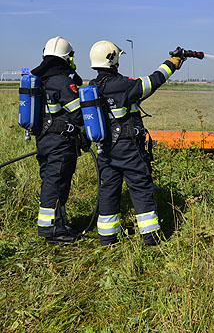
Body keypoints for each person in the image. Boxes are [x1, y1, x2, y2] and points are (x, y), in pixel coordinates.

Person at [88, 41, 183, 246]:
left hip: (105, 148)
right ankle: (150, 238)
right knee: (140, 186)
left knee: (109, 189)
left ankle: (107, 238)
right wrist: (172, 63)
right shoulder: (122, 84)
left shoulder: (92, 87)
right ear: (112, 59)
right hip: (127, 147)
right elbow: (153, 81)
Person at [31, 36, 84, 244]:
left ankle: (58, 223)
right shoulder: (62, 81)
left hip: (44, 140)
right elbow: (78, 114)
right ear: (66, 57)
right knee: (57, 183)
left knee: (51, 181)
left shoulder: (40, 79)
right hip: (60, 143)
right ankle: (52, 231)